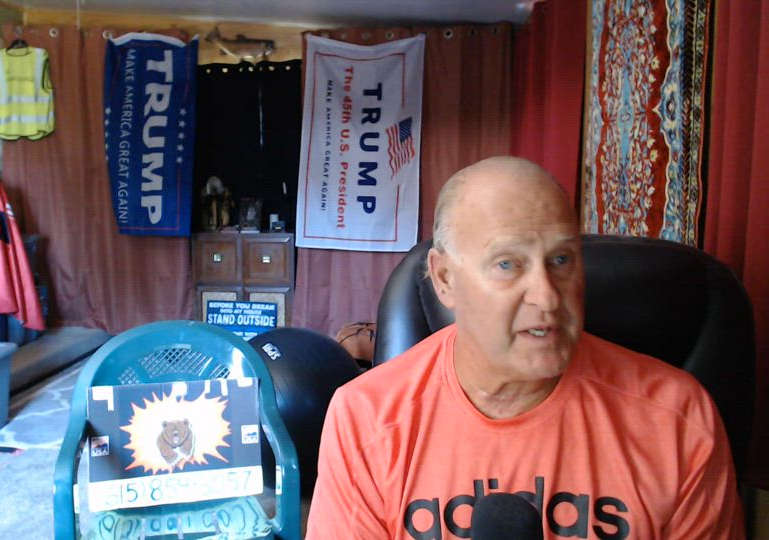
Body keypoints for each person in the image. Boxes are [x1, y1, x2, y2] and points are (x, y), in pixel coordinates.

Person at [305, 156, 744, 539]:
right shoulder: (366, 418)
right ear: (444, 279)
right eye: (507, 264)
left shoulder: (677, 419)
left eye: (561, 260)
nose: (548, 297)